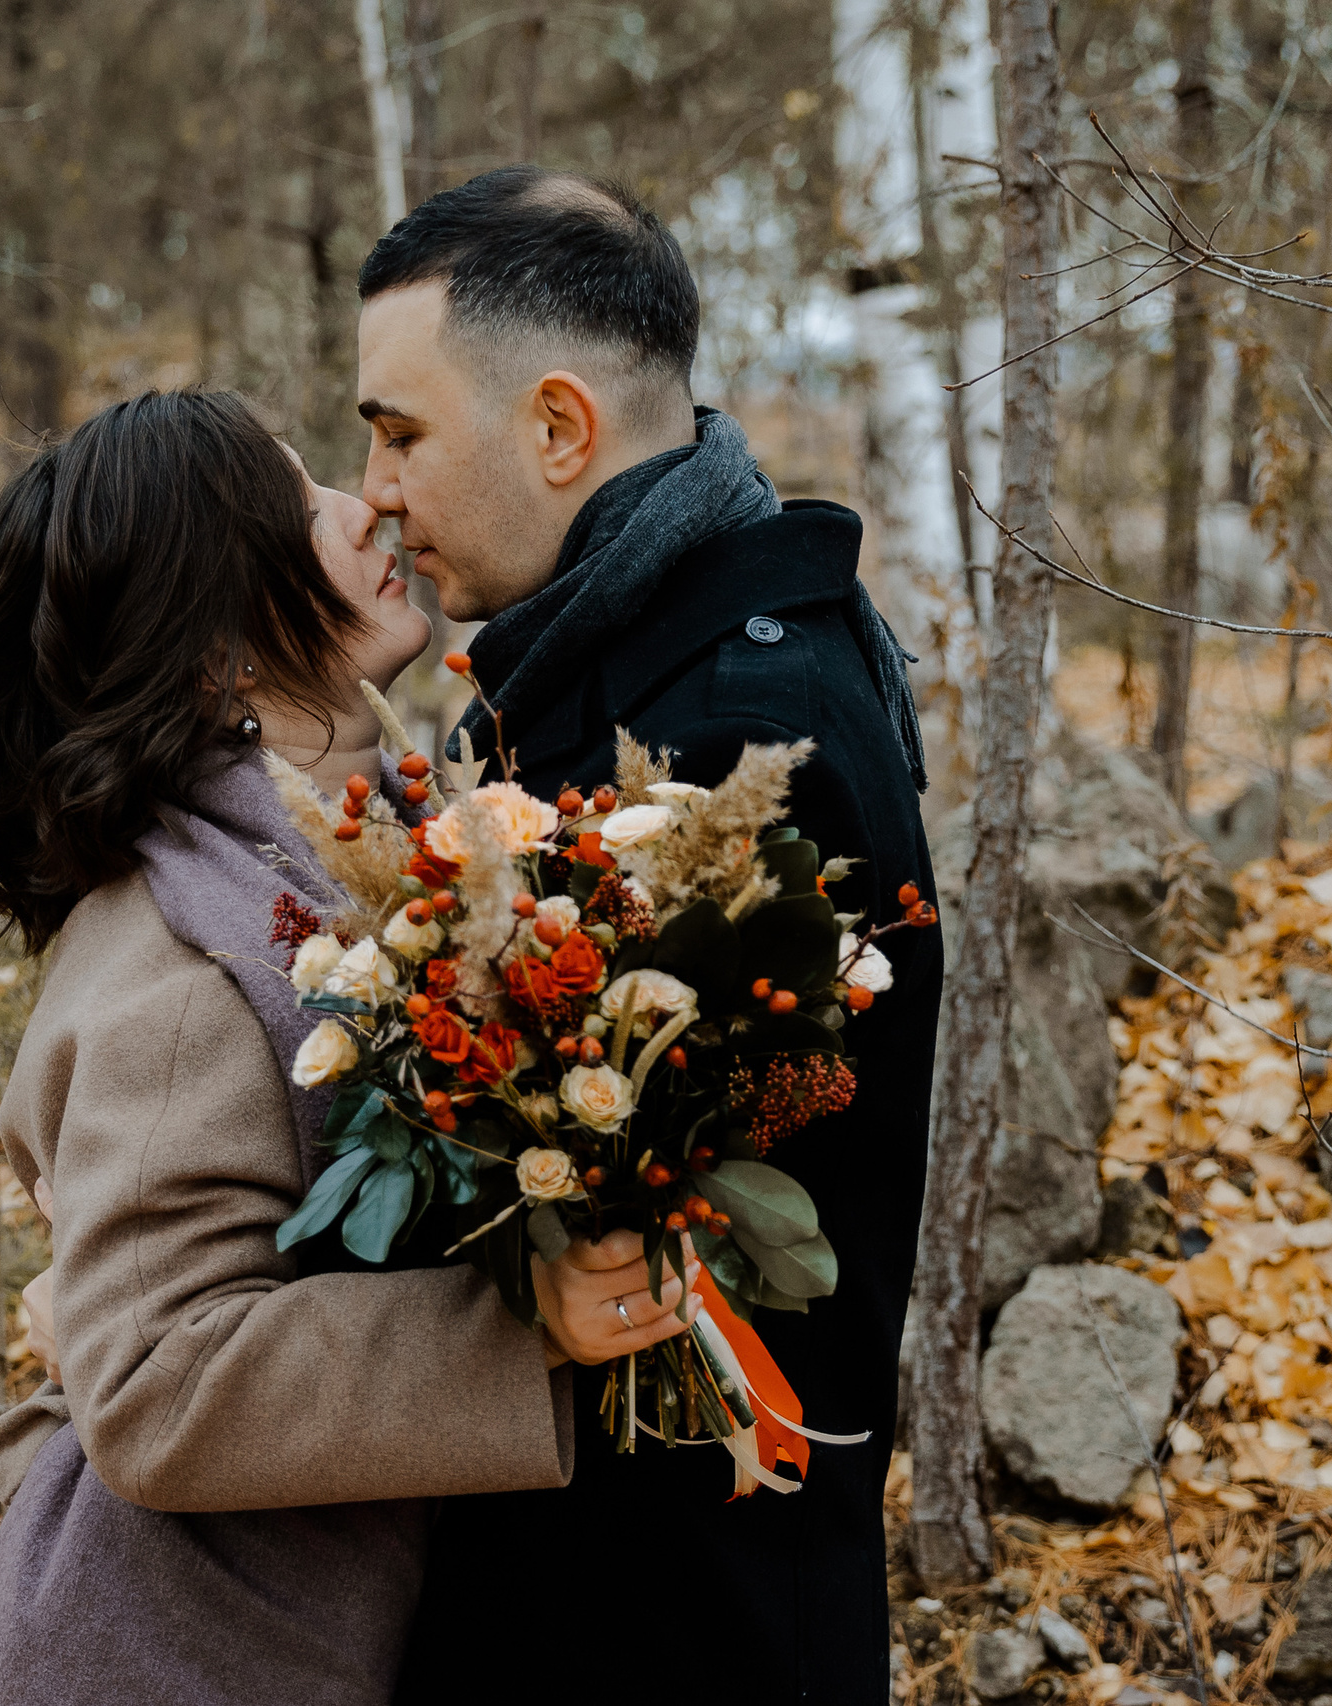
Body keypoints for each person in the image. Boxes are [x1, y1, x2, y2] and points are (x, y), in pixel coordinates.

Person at [0, 390, 702, 1706]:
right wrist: (523, 1327)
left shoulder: (306, 862)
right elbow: (153, 1381)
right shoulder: (185, 962)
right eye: (301, 508)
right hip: (162, 1662)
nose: (366, 503)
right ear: (218, 656)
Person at [355, 167, 942, 1703]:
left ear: (559, 427)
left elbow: (604, 1231)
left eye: (400, 432)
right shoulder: (658, 652)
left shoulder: (723, 735)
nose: (376, 489)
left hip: (668, 1619)